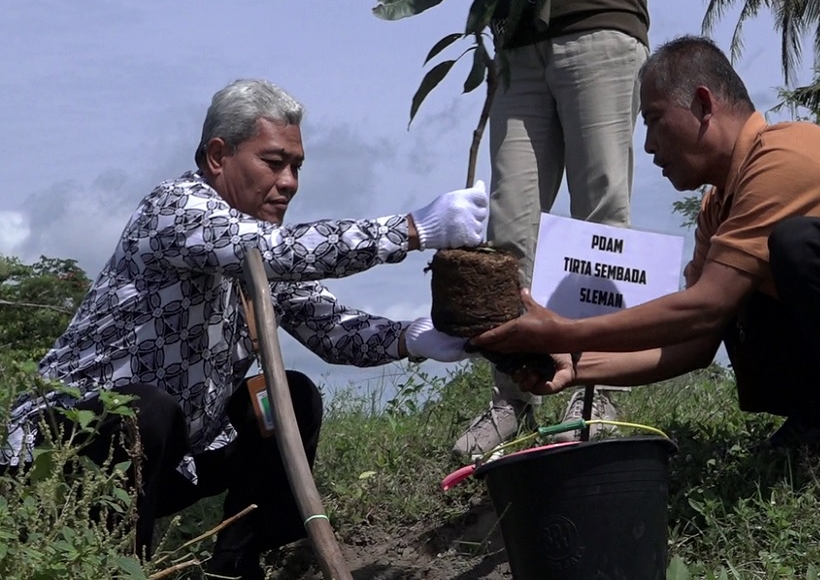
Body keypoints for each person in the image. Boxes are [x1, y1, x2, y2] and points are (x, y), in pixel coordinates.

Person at [1, 79, 488, 579]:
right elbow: (278, 251)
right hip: (62, 453)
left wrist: (415, 337)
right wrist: (412, 229)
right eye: (274, 162)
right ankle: (112, 568)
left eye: (296, 166)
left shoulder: (258, 247)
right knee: (145, 410)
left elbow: (332, 330)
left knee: (287, 399)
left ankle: (237, 564)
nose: (290, 181)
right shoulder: (176, 209)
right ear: (218, 156)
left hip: (170, 459)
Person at [473, 35, 820, 494]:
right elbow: (695, 342)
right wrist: (574, 365)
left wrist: (567, 328)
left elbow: (703, 309)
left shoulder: (787, 158)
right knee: (743, 283)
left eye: (654, 121)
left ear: (703, 103)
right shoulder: (719, 205)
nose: (650, 146)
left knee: (796, 245)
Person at [440, 0, 651, 457]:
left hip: (597, 16)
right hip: (517, 39)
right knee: (509, 225)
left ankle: (597, 388)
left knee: (600, 214)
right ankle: (514, 393)